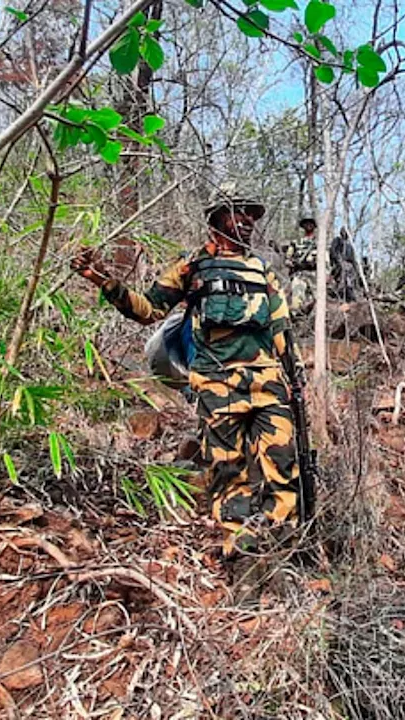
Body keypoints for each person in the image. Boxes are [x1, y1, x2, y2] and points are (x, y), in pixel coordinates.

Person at [72, 189, 305, 566]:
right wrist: (103, 281)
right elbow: (148, 309)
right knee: (227, 468)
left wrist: (295, 379)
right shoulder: (192, 266)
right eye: (236, 213)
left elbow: (282, 328)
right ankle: (240, 548)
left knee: (282, 462)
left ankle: (283, 542)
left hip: (268, 383)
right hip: (216, 383)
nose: (246, 220)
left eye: (250, 215)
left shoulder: (263, 270)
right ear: (215, 219)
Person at [282, 217, 318, 317]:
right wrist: (293, 264)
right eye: (306, 223)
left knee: (317, 301)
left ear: (314, 226)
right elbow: (287, 259)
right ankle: (296, 320)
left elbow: (326, 262)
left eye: (311, 223)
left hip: (315, 275)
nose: (308, 225)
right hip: (299, 274)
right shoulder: (295, 242)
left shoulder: (319, 244)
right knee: (296, 301)